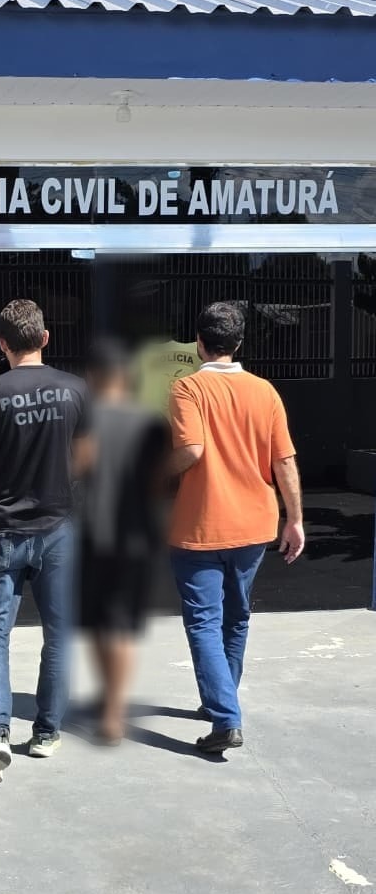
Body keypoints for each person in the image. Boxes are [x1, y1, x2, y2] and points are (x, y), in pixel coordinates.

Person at [0, 299, 90, 786]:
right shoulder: (75, 390)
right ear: (45, 338)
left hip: (2, 531)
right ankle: (46, 731)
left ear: (2, 344)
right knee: (59, 633)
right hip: (58, 528)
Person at [168, 302, 304, 755]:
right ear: (239, 343)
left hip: (200, 526)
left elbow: (190, 450)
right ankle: (221, 700)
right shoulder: (265, 392)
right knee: (236, 616)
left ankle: (225, 717)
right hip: (254, 526)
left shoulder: (187, 388)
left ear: (199, 343)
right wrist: (295, 519)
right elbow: (284, 461)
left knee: (204, 622)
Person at [80, 339, 169, 744]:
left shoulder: (85, 419)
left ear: (93, 376)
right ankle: (113, 707)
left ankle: (111, 709)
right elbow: (159, 484)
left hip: (95, 533)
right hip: (137, 536)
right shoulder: (151, 423)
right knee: (121, 627)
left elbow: (77, 468)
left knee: (98, 624)